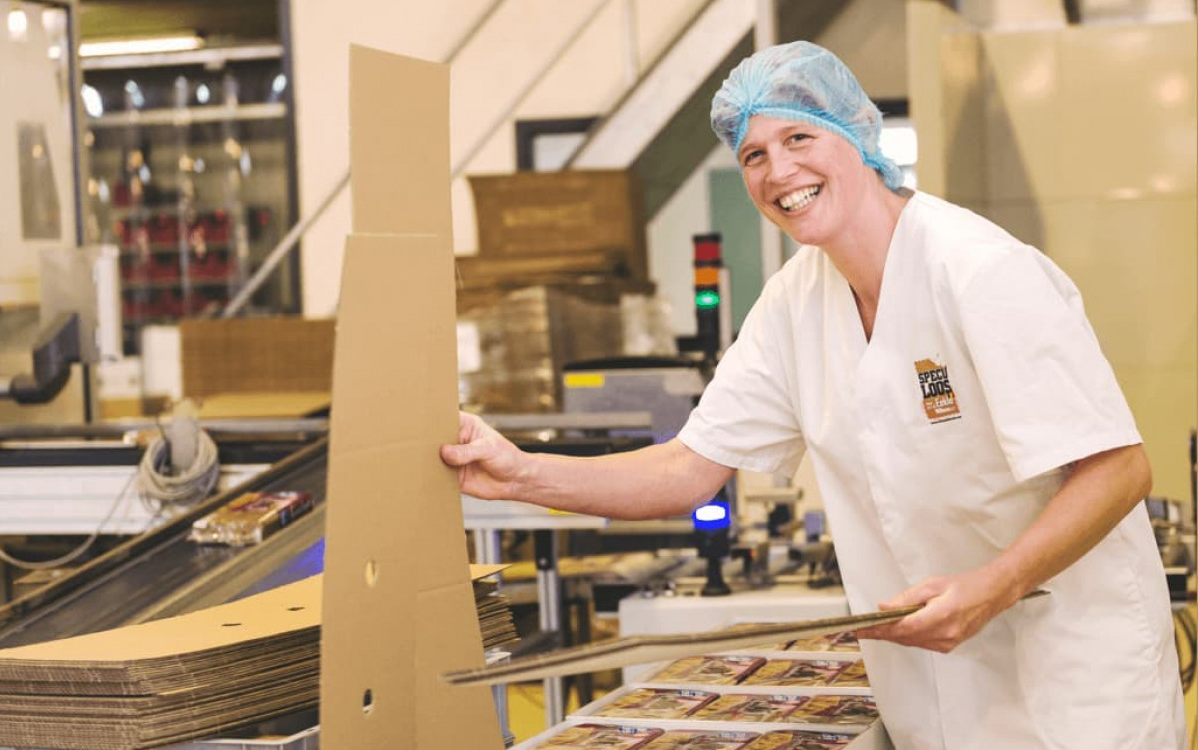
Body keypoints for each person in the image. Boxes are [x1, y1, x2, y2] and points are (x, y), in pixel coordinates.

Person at [441, 41, 1184, 749]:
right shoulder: (795, 302)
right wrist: (524, 472)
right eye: (754, 155)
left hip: (1072, 679)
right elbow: (688, 470)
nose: (777, 172)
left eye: (799, 138)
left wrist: (994, 586)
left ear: (856, 137)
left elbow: (1119, 470)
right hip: (935, 684)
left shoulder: (980, 272)